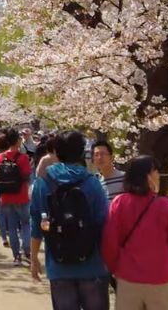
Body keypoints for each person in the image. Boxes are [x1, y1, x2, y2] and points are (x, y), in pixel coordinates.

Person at [30, 131, 110, 310]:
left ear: (56, 153)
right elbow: (104, 224)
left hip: (59, 266)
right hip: (93, 265)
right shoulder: (93, 183)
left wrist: (34, 257)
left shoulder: (42, 183)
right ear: (82, 153)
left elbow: (38, 223)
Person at [102, 156, 168, 310]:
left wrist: (115, 269)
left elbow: (109, 243)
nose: (159, 174)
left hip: (128, 278)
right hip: (161, 279)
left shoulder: (118, 203)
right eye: (156, 170)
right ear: (148, 176)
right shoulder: (165, 206)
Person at [0, 127, 33, 266]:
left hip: (6, 196)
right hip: (21, 195)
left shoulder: (0, 157)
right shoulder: (22, 158)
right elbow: (27, 175)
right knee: (26, 223)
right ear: (17, 141)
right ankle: (27, 250)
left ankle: (16, 256)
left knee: (11, 228)